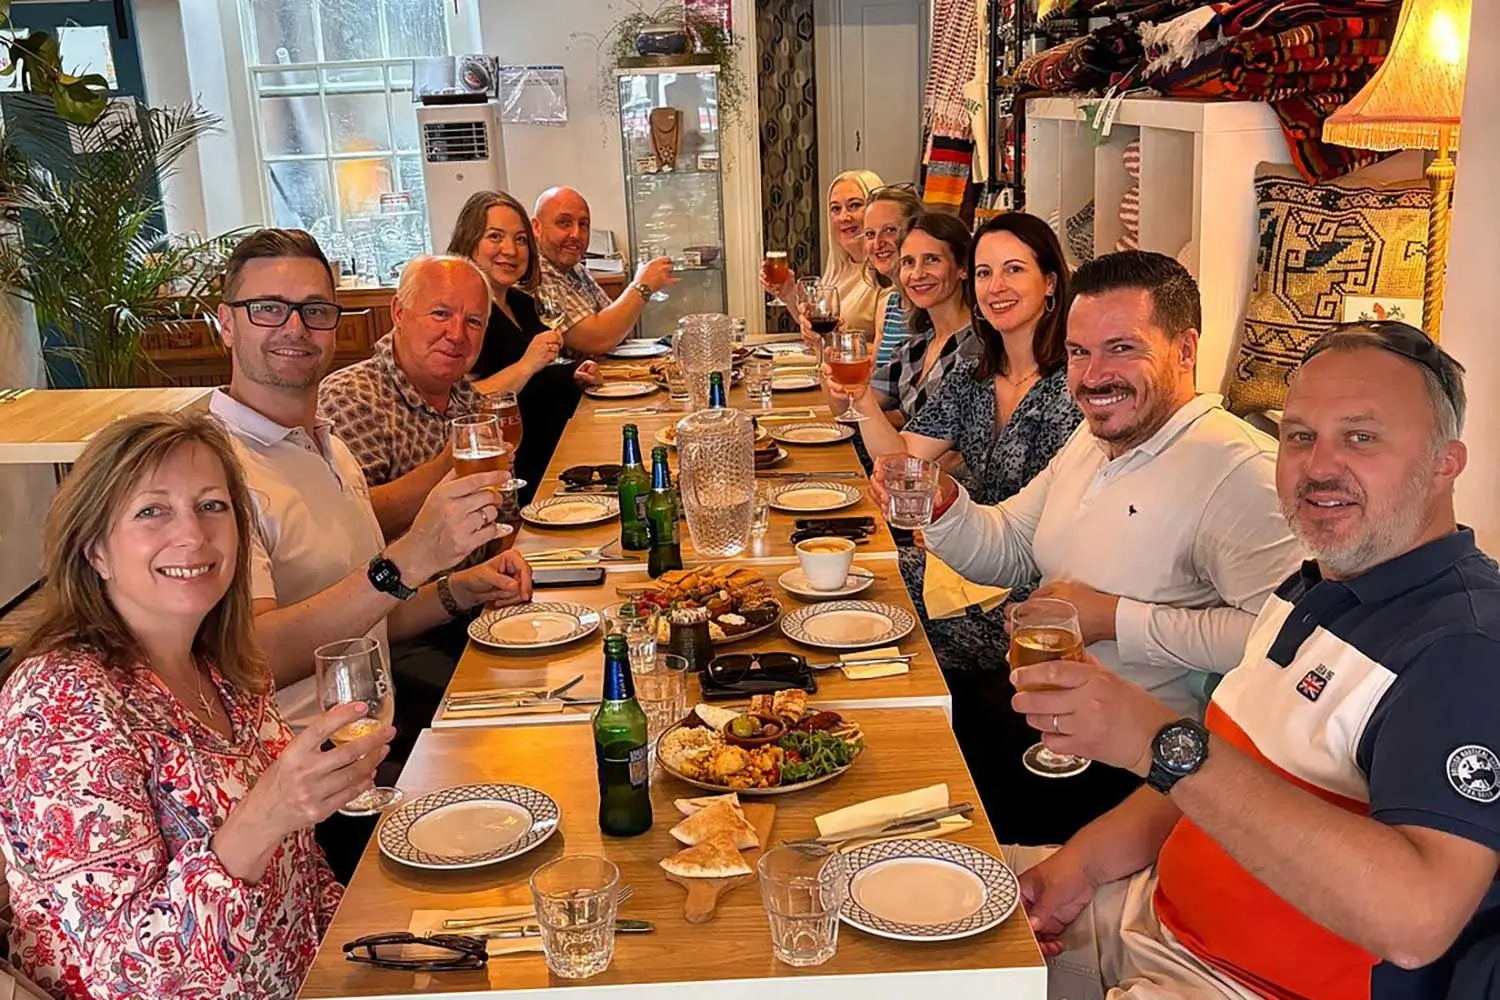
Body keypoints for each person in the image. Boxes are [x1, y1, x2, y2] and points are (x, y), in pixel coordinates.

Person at [1008, 322, 1500, 1000]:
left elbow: (1416, 921)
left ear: (1446, 463)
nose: (1318, 466)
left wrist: (1159, 741)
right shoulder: (1312, 584)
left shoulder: (1463, 649)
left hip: (1241, 985)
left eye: (1361, 437)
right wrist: (1080, 869)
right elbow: (1208, 790)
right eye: (1299, 436)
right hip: (1146, 917)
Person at [872, 250, 1301, 843]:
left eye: (1121, 348)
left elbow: (1280, 642)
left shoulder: (1239, 473)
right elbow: (1010, 545)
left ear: (1184, 350)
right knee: (889, 750)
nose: (1093, 376)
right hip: (1039, 710)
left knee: (914, 819)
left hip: (1133, 772)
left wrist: (1113, 619)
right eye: (1078, 352)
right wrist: (946, 503)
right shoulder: (1094, 438)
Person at [0, 411, 389, 998]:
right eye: (151, 511)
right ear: (95, 549)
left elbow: (300, 878)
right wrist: (266, 814)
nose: (193, 535)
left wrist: (368, 947)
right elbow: (125, 972)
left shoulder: (226, 669)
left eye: (212, 506)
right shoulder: (59, 701)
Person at [210, 229, 532, 879]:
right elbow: (253, 657)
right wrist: (407, 560)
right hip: (303, 795)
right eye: (268, 308)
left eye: (315, 310)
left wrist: (460, 587)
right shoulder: (213, 467)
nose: (295, 327)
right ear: (226, 324)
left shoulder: (326, 444)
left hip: (371, 749)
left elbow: (370, 617)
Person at [846, 212, 1081, 669]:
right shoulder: (974, 373)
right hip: (964, 556)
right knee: (859, 578)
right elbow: (903, 459)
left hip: (1034, 587)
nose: (996, 287)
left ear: (1051, 282)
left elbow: (1060, 525)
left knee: (875, 602)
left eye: (1014, 269)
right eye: (985, 273)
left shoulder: (1073, 385)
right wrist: (861, 397)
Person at [317, 254, 498, 536]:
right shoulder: (351, 396)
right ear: (399, 313)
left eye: (473, 321)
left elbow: (504, 520)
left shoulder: (472, 400)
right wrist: (450, 463)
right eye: (441, 314)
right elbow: (351, 526)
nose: (457, 334)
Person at [448, 191, 596, 501]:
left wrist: (572, 374)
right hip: (516, 476)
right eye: (495, 237)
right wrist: (527, 364)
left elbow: (540, 374)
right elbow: (464, 405)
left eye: (520, 240)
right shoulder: (464, 318)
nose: (510, 250)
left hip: (562, 458)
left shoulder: (522, 303)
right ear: (469, 242)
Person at [865, 211, 983, 430]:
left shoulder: (978, 348)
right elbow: (856, 405)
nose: (917, 274)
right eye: (908, 262)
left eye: (932, 260)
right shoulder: (914, 348)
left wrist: (889, 418)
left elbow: (940, 438)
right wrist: (822, 348)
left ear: (963, 269)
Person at [531, 186, 676, 355]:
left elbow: (619, 329)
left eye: (583, 224)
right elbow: (598, 339)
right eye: (564, 223)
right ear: (536, 227)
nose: (576, 234)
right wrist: (642, 285)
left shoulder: (576, 268)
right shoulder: (538, 272)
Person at [761, 170, 885, 337]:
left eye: (854, 205)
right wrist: (789, 294)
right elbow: (819, 332)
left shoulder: (885, 274)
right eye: (835, 208)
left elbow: (887, 350)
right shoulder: (840, 270)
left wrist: (830, 342)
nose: (843, 217)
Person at [862, 183, 924, 367]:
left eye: (889, 230)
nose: (877, 243)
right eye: (870, 234)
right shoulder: (888, 305)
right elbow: (876, 377)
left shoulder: (932, 304)